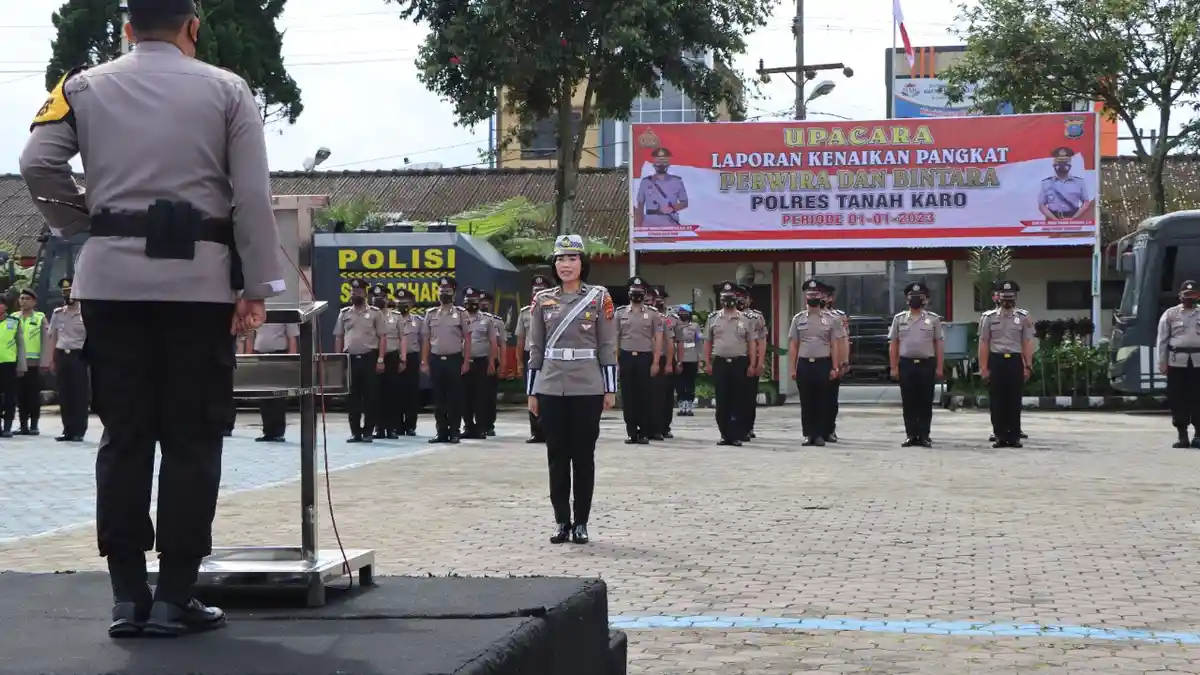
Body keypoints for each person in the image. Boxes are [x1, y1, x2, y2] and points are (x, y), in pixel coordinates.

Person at [19, 0, 285, 637]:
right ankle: (175, 596)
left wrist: (86, 225)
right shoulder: (229, 90)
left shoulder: (80, 86)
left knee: (125, 434)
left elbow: (36, 163)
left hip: (111, 284)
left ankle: (126, 595)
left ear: (127, 27)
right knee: (193, 436)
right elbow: (251, 194)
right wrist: (255, 284)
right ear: (193, 26)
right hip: (199, 286)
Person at [525, 234, 617, 545]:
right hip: (550, 384)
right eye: (560, 259)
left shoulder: (599, 298)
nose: (566, 264)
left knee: (583, 455)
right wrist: (532, 390)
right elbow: (535, 347)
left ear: (583, 263)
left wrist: (610, 388)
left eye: (572, 258)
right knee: (556, 455)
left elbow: (607, 345)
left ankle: (582, 522)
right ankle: (561, 521)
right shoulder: (542, 300)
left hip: (587, 385)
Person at [788, 279, 845, 446]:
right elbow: (793, 345)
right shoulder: (798, 319)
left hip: (823, 363)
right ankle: (809, 434)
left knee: (822, 400)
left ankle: (820, 434)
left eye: (816, 294)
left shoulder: (831, 319)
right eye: (810, 294)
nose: (813, 297)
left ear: (822, 297)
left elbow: (834, 344)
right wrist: (793, 367)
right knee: (806, 401)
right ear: (805, 297)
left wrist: (835, 366)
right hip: (804, 364)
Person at [979, 280, 1034, 448]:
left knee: (1013, 400)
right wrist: (983, 367)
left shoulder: (1023, 318)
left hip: (1015, 361)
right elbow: (983, 343)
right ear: (998, 298)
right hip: (996, 360)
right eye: (1004, 297)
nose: (1007, 301)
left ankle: (1014, 436)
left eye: (1011, 297)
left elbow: (1027, 342)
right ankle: (1000, 436)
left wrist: (1028, 365)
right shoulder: (988, 318)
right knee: (997, 400)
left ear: (1015, 298)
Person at [889, 282, 944, 447]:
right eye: (912, 297)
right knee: (909, 401)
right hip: (906, 364)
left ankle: (924, 435)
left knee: (925, 401)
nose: (915, 300)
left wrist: (940, 367)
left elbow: (938, 344)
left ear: (925, 300)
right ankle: (911, 435)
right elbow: (894, 343)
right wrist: (894, 366)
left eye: (919, 297)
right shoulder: (899, 319)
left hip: (926, 364)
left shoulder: (933, 319)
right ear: (907, 299)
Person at [334, 279, 386, 443]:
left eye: (358, 292)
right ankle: (355, 432)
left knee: (370, 396)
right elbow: (339, 337)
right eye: (352, 291)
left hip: (369, 357)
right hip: (350, 358)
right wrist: (338, 359)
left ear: (365, 293)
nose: (355, 294)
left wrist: (380, 359)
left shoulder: (375, 313)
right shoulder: (344, 313)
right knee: (352, 397)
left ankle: (368, 431)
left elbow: (382, 337)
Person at [422, 276, 471, 444]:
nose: (444, 293)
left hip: (455, 359)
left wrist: (466, 361)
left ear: (454, 293)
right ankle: (441, 431)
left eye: (448, 291)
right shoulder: (430, 314)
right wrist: (424, 361)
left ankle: (455, 432)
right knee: (439, 398)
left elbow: (467, 338)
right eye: (442, 291)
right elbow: (426, 339)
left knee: (454, 398)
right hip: (436, 360)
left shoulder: (461, 314)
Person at [614, 276, 662, 444]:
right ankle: (631, 431)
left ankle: (644, 432)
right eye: (634, 293)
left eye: (640, 293)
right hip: (626, 356)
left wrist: (656, 361)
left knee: (645, 396)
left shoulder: (653, 314)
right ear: (629, 294)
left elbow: (658, 338)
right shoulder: (620, 313)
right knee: (628, 396)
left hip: (645, 357)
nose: (637, 296)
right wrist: (616, 361)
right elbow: (615, 338)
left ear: (644, 294)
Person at [706, 282, 754, 446]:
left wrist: (752, 364)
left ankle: (736, 434)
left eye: (731, 298)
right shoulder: (713, 318)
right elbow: (708, 342)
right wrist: (707, 362)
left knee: (738, 400)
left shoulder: (745, 319)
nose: (728, 301)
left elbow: (752, 343)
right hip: (720, 363)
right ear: (721, 299)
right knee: (722, 400)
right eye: (725, 298)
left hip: (739, 362)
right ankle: (725, 434)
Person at [1157, 280, 1200, 448]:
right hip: (1177, 363)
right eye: (1186, 295)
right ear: (1180, 296)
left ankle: (1198, 435)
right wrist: (1162, 362)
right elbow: (1162, 340)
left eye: (1193, 295)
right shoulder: (1170, 314)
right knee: (1178, 398)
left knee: (1198, 398)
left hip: (1198, 363)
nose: (1190, 298)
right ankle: (1182, 435)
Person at [47, 278, 89, 442]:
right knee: (64, 394)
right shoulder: (58, 313)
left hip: (79, 356)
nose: (68, 294)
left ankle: (79, 430)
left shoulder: (84, 313)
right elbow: (53, 337)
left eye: (71, 291)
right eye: (65, 292)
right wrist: (51, 359)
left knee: (79, 394)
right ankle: (68, 429)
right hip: (62, 355)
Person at [515, 275, 552, 443]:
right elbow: (520, 339)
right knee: (532, 393)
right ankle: (536, 431)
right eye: (535, 290)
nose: (537, 293)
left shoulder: (553, 309)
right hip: (529, 355)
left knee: (547, 394)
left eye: (541, 290)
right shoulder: (525, 313)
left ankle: (548, 430)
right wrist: (519, 362)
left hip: (547, 356)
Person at [250, 319, 298, 443]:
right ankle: (267, 431)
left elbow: (292, 338)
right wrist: (249, 357)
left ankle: (278, 432)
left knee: (278, 395)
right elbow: (251, 335)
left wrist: (291, 359)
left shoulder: (285, 312)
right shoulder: (259, 313)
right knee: (264, 394)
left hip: (279, 355)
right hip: (260, 354)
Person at [460, 287, 498, 439]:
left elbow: (493, 342)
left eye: (474, 301)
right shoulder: (459, 317)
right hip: (463, 362)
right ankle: (468, 427)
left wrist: (491, 363)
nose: (471, 304)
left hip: (481, 361)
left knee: (480, 396)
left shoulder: (487, 319)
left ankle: (481, 427)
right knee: (465, 396)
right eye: (468, 301)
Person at [372, 284, 404, 439]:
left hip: (391, 356)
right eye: (375, 297)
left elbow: (402, 338)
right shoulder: (370, 315)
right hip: (374, 356)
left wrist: (403, 358)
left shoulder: (395, 316)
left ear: (386, 299)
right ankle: (379, 428)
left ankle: (391, 428)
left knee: (391, 394)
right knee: (375, 394)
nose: (378, 300)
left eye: (382, 297)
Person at [15, 289, 48, 436]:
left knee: (34, 395)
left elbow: (46, 342)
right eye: (22, 298)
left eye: (27, 299)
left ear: (34, 302)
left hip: (35, 364)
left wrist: (44, 362)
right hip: (18, 364)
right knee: (21, 396)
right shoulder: (14, 318)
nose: (23, 301)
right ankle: (23, 426)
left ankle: (34, 425)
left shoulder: (40, 318)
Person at [736, 284, 767, 442]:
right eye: (738, 296)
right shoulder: (725, 316)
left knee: (748, 395)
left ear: (750, 299)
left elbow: (762, 341)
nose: (741, 300)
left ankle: (748, 427)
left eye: (744, 297)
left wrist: (760, 362)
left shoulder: (756, 317)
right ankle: (734, 427)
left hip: (750, 359)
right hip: (733, 359)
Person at [633, 147, 689, 231]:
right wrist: (638, 228)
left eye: (664, 161)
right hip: (649, 226)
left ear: (668, 163)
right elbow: (640, 206)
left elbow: (684, 202)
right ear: (653, 163)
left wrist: (672, 208)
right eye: (658, 161)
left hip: (670, 226)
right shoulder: (645, 182)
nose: (661, 164)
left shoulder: (677, 181)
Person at [820, 284, 848, 442]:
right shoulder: (807, 316)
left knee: (831, 398)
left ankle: (830, 429)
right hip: (817, 360)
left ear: (831, 298)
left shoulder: (839, 316)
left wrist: (844, 361)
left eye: (827, 296)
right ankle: (816, 430)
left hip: (833, 360)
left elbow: (844, 339)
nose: (824, 299)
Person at [649, 285, 676, 440]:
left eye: (660, 299)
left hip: (663, 358)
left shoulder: (667, 319)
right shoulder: (646, 315)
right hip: (647, 358)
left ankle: (663, 426)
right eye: (655, 299)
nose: (657, 302)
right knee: (650, 395)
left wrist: (669, 363)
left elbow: (671, 342)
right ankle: (650, 426)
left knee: (663, 396)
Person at [395, 288, 423, 436]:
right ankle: (397, 425)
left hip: (412, 358)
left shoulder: (418, 321)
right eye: (399, 302)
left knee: (412, 394)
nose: (402, 304)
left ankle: (410, 425)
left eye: (406, 302)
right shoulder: (390, 319)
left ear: (412, 304)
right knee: (396, 393)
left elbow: (423, 340)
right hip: (396, 358)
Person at [1038, 147, 1093, 220]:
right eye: (1059, 162)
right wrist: (1054, 219)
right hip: (1052, 221)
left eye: (1065, 162)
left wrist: (1074, 218)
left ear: (1069, 165)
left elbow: (1086, 203)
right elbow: (1041, 205)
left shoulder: (1079, 182)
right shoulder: (1046, 183)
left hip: (1073, 219)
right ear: (1054, 165)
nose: (1062, 165)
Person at [0, 301, 27, 439]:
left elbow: (21, 345)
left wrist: (21, 366)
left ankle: (7, 427)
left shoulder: (14, 322)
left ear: (5, 306)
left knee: (10, 397)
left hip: (9, 364)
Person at [479, 291, 505, 436]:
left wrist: (502, 364)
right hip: (477, 359)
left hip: (492, 360)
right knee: (476, 395)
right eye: (481, 302)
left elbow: (502, 344)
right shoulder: (470, 319)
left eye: (486, 302)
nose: (483, 305)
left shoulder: (497, 321)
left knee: (489, 395)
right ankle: (477, 424)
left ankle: (489, 424)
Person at [674, 306, 703, 416]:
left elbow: (699, 343)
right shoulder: (675, 326)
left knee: (690, 382)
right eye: (681, 312)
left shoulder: (695, 327)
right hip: (679, 358)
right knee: (680, 383)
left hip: (692, 357)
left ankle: (689, 405)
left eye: (685, 312)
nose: (683, 314)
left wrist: (700, 359)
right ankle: (681, 405)